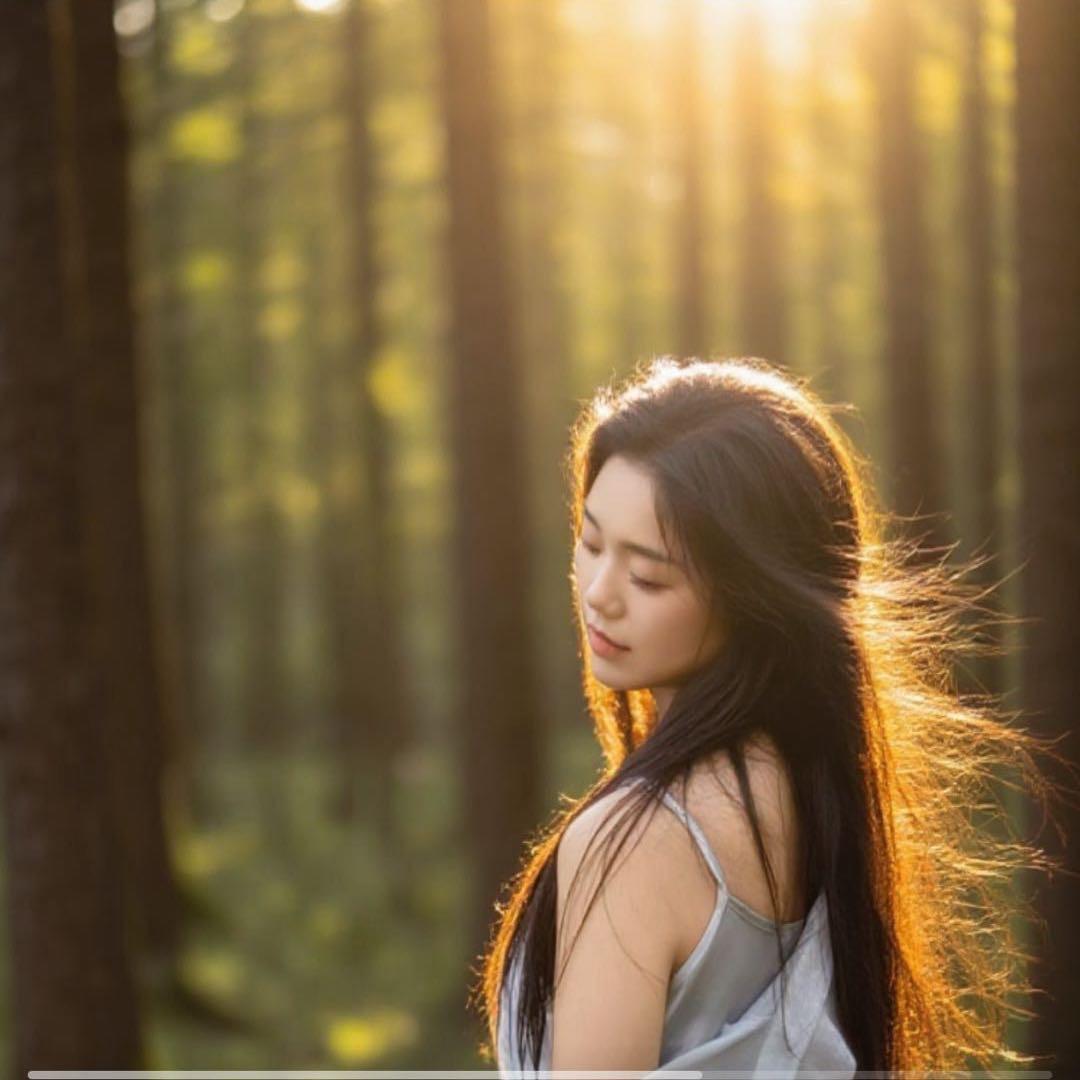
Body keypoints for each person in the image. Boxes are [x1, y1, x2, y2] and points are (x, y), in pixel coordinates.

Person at [471, 356, 1064, 1076]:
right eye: (591, 542)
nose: (600, 593)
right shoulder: (823, 791)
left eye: (649, 574)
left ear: (755, 596)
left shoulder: (635, 841)